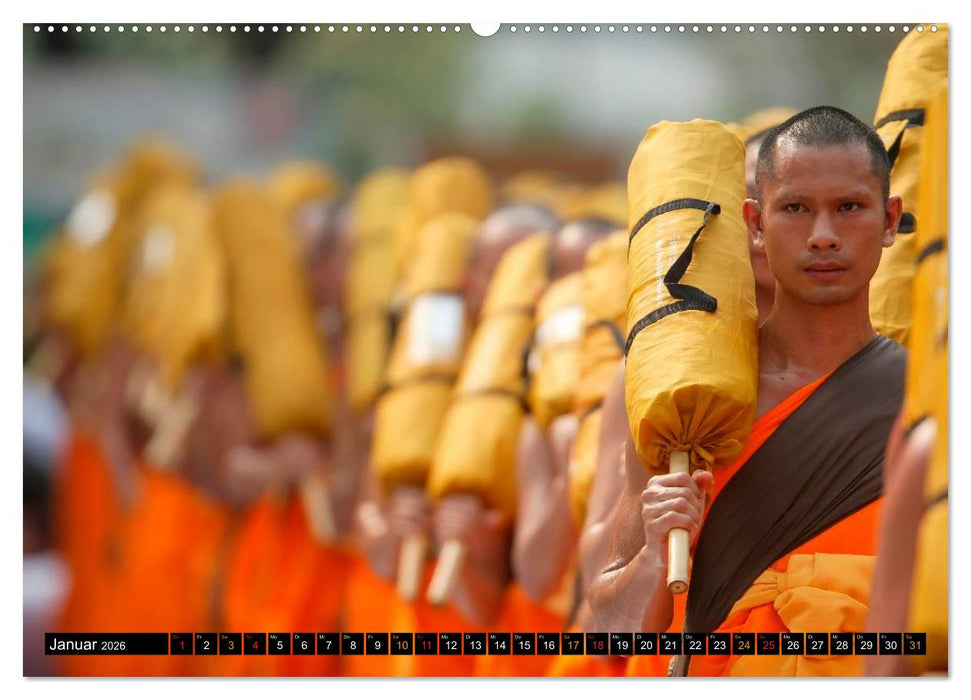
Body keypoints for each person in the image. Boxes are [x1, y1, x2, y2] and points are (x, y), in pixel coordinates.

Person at [589, 106, 905, 677]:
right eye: (796, 209)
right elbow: (608, 635)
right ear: (755, 226)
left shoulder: (930, 399)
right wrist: (654, 558)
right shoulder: (691, 401)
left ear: (889, 220)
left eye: (850, 208)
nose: (824, 236)